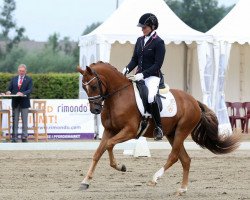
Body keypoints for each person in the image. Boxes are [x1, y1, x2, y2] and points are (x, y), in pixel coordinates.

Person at [123, 13, 166, 141]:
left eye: (145, 27)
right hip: (139, 76)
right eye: (142, 27)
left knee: (151, 96)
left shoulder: (159, 42)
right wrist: (126, 68)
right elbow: (135, 59)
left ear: (152, 27)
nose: (142, 29)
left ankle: (159, 127)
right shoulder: (140, 40)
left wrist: (142, 74)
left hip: (152, 76)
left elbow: (157, 65)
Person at [6, 64, 33, 142]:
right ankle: (14, 137)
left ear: (25, 71)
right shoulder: (14, 79)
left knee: (25, 120)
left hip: (24, 102)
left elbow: (30, 90)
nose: (21, 72)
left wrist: (23, 93)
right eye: (20, 71)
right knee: (15, 120)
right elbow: (9, 89)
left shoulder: (29, 79)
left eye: (23, 71)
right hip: (15, 102)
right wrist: (8, 92)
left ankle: (24, 137)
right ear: (18, 71)